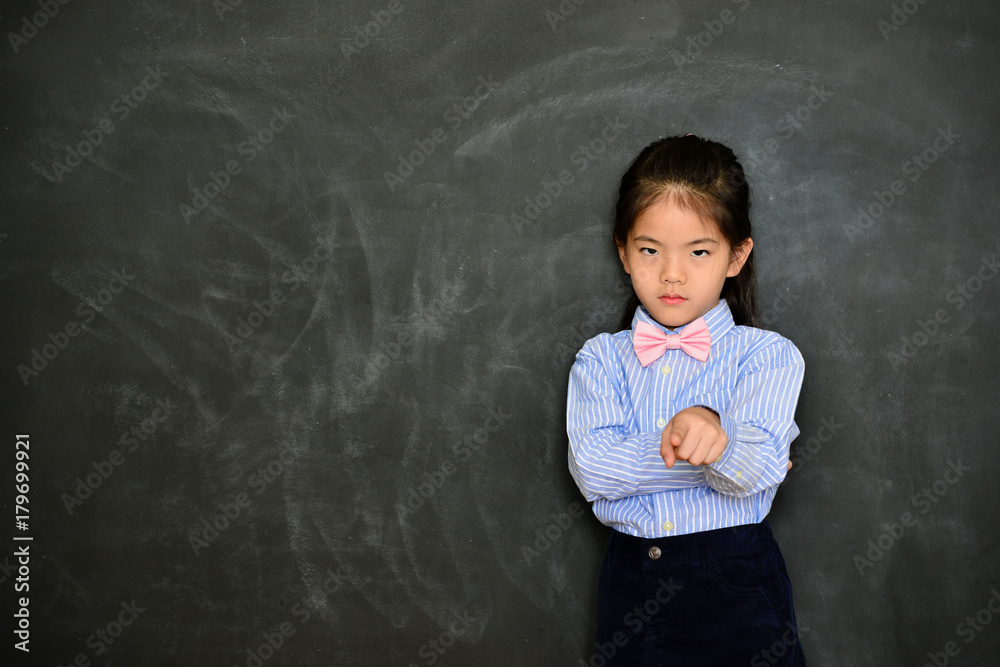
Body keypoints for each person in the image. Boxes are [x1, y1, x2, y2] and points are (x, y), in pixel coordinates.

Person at [566, 134, 807, 665]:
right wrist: (715, 455)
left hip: (737, 583)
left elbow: (759, 464)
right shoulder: (601, 359)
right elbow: (593, 472)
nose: (672, 273)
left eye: (699, 252)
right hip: (631, 580)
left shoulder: (768, 356)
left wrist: (724, 442)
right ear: (624, 252)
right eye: (650, 250)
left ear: (736, 255)